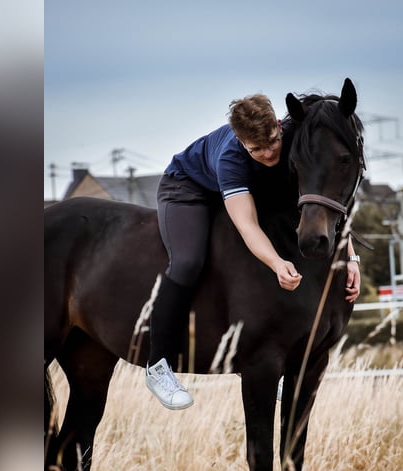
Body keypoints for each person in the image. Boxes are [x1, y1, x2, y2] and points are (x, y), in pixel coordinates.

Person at [145, 94, 360, 409]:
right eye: (255, 150)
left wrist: (350, 256)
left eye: (272, 143)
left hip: (246, 189)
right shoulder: (231, 159)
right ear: (240, 141)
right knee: (188, 262)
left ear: (278, 125)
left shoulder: (293, 136)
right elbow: (247, 226)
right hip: (188, 189)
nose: (268, 153)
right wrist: (276, 263)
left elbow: (323, 198)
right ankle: (158, 366)